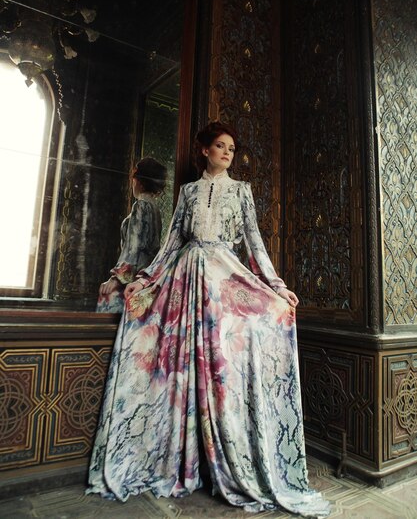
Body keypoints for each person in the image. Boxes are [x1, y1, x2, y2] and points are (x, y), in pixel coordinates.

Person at [87, 122, 330, 518]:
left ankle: (229, 457)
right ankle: (183, 459)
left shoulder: (242, 191)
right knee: (182, 364)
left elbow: (254, 242)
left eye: (232, 148)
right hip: (187, 279)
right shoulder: (187, 193)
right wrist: (144, 280)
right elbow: (171, 243)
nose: (227, 152)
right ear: (204, 150)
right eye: (220, 146)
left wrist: (276, 285)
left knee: (222, 366)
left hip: (225, 277)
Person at [95, 156, 167, 313]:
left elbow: (134, 248)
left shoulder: (141, 206)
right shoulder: (154, 208)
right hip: (146, 274)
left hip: (135, 276)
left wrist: (116, 279)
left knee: (107, 296)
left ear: (138, 181)